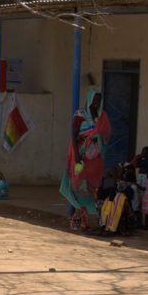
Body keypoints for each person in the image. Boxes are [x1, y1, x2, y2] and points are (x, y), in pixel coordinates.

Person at [61, 88, 111, 230]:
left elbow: (106, 133)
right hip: (81, 153)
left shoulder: (102, 116)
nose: (96, 102)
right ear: (89, 99)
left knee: (95, 184)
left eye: (99, 100)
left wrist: (97, 138)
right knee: (78, 182)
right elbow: (74, 134)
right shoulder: (80, 114)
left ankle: (96, 215)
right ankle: (75, 212)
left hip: (95, 154)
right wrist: (77, 154)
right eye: (94, 99)